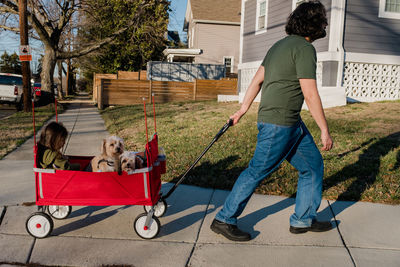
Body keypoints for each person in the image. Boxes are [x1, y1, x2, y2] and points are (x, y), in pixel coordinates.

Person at [210, 1, 333, 242]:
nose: (325, 23)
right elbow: (310, 93)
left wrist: (242, 110)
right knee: (257, 170)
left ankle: (303, 219)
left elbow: (256, 81)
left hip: (290, 123)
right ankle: (224, 219)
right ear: (314, 24)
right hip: (280, 124)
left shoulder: (278, 46)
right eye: (322, 19)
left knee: (312, 165)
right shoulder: (305, 49)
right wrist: (324, 130)